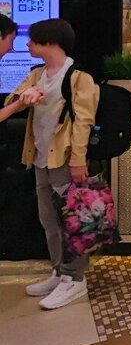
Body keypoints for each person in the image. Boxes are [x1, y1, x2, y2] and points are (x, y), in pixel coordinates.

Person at [5, 19, 99, 310]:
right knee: (49, 219)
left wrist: (78, 159)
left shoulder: (78, 77)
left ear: (50, 43)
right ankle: (59, 272)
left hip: (65, 159)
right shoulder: (37, 74)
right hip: (39, 157)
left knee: (72, 220)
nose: (28, 45)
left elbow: (83, 122)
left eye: (34, 41)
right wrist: (23, 97)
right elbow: (11, 101)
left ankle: (75, 278)